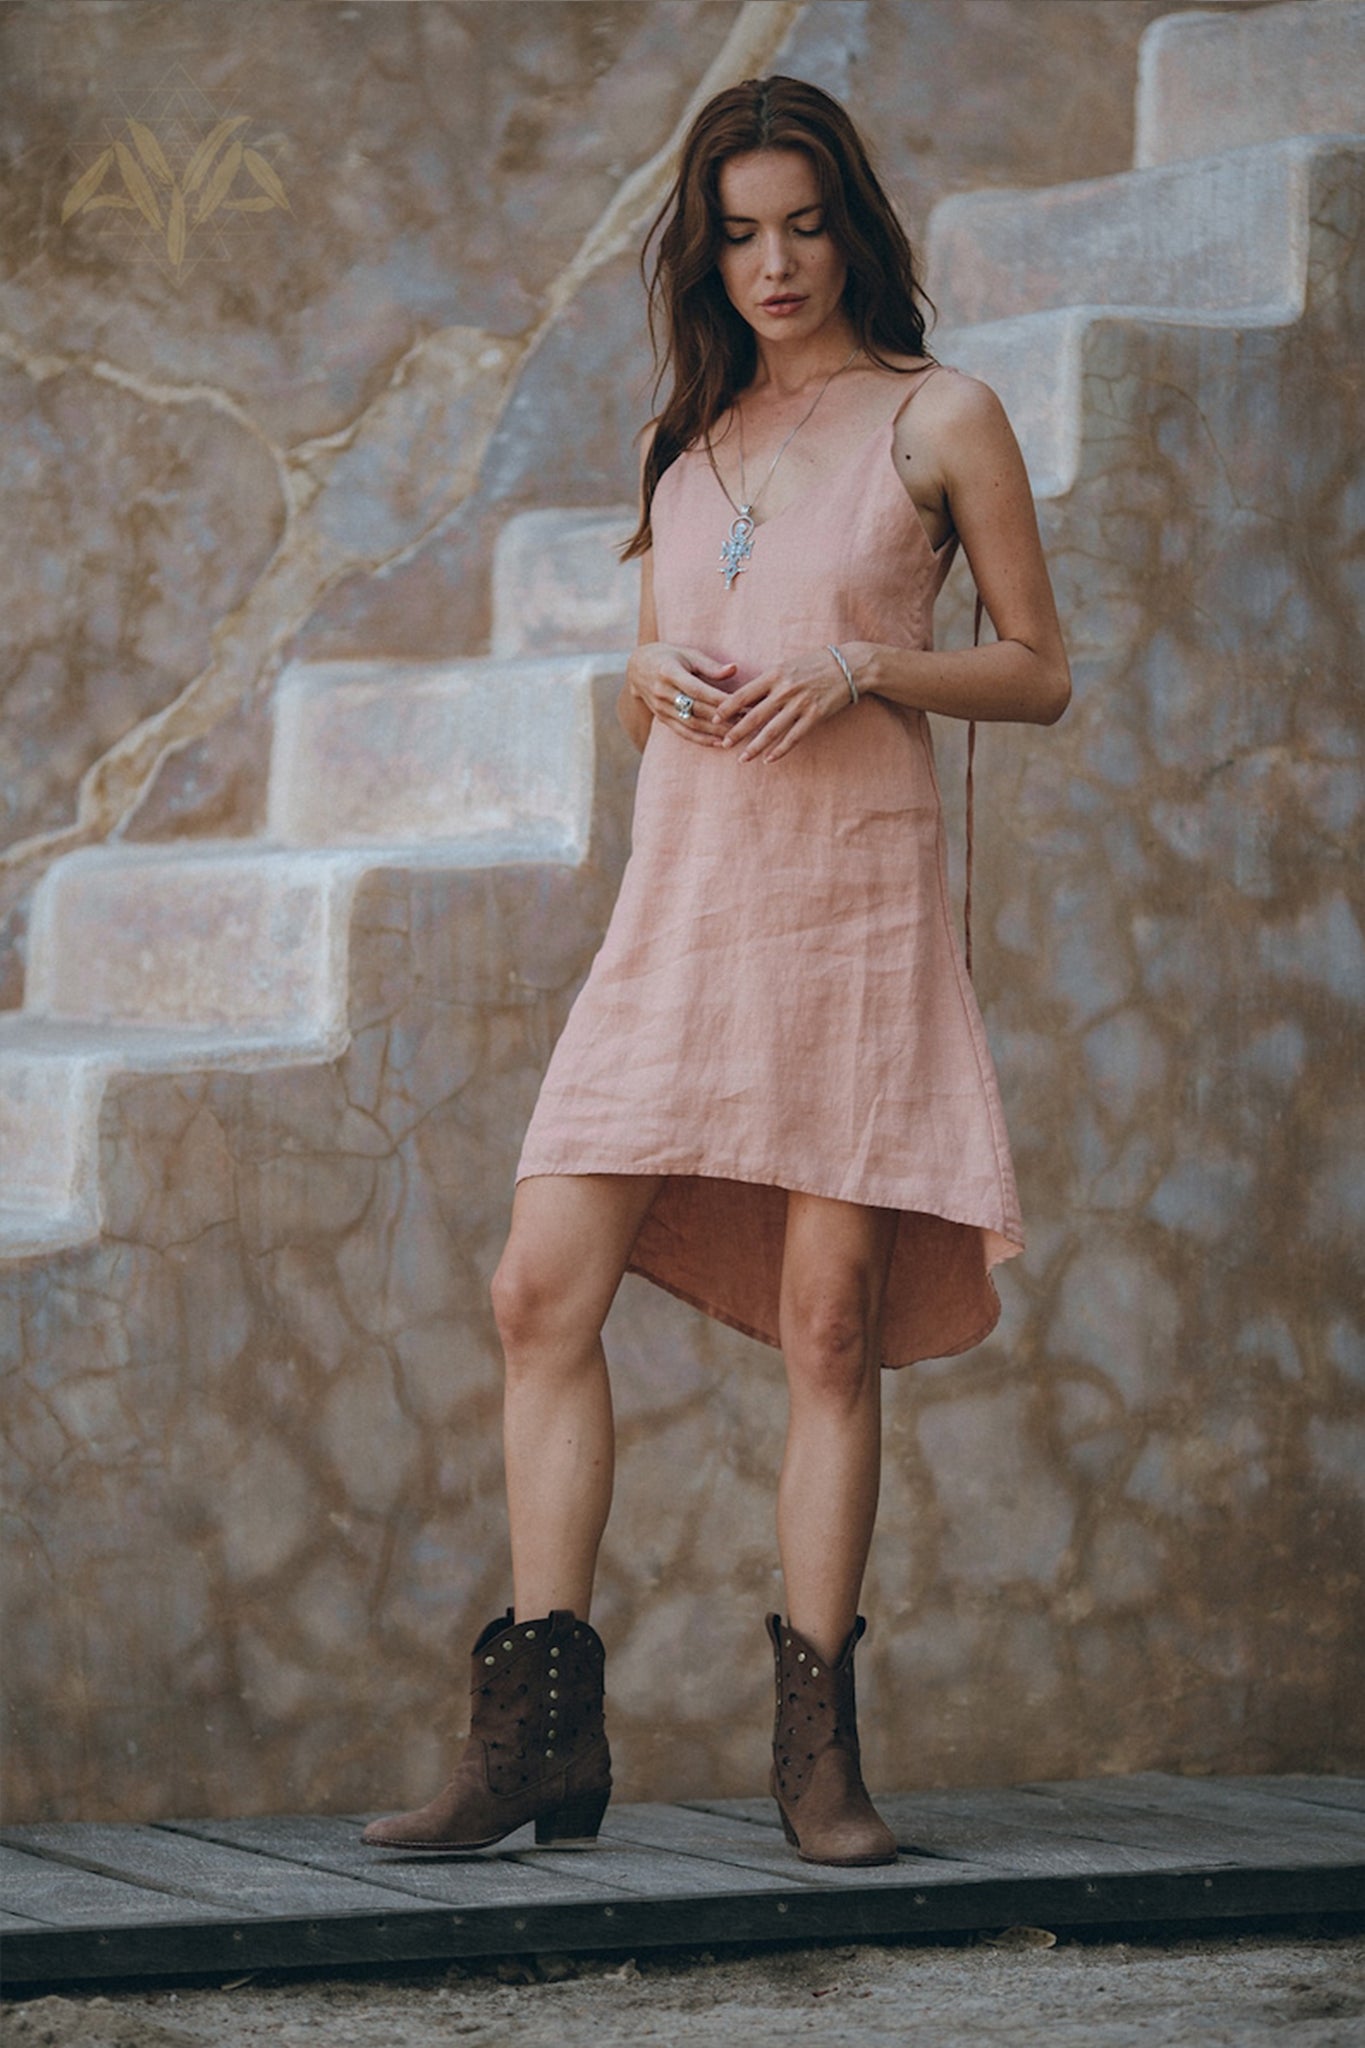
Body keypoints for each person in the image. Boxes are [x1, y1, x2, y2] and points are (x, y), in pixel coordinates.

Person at [363, 75, 1070, 1868]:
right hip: (684, 907)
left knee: (831, 1327)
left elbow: (1041, 671)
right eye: (739, 230)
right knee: (539, 1290)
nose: (774, 261)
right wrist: (639, 680)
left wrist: (866, 668)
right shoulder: (688, 455)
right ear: (704, 249)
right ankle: (537, 1736)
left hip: (847, 911)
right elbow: (672, 658)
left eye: (804, 222)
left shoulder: (941, 414)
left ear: (855, 227)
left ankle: (818, 1751)